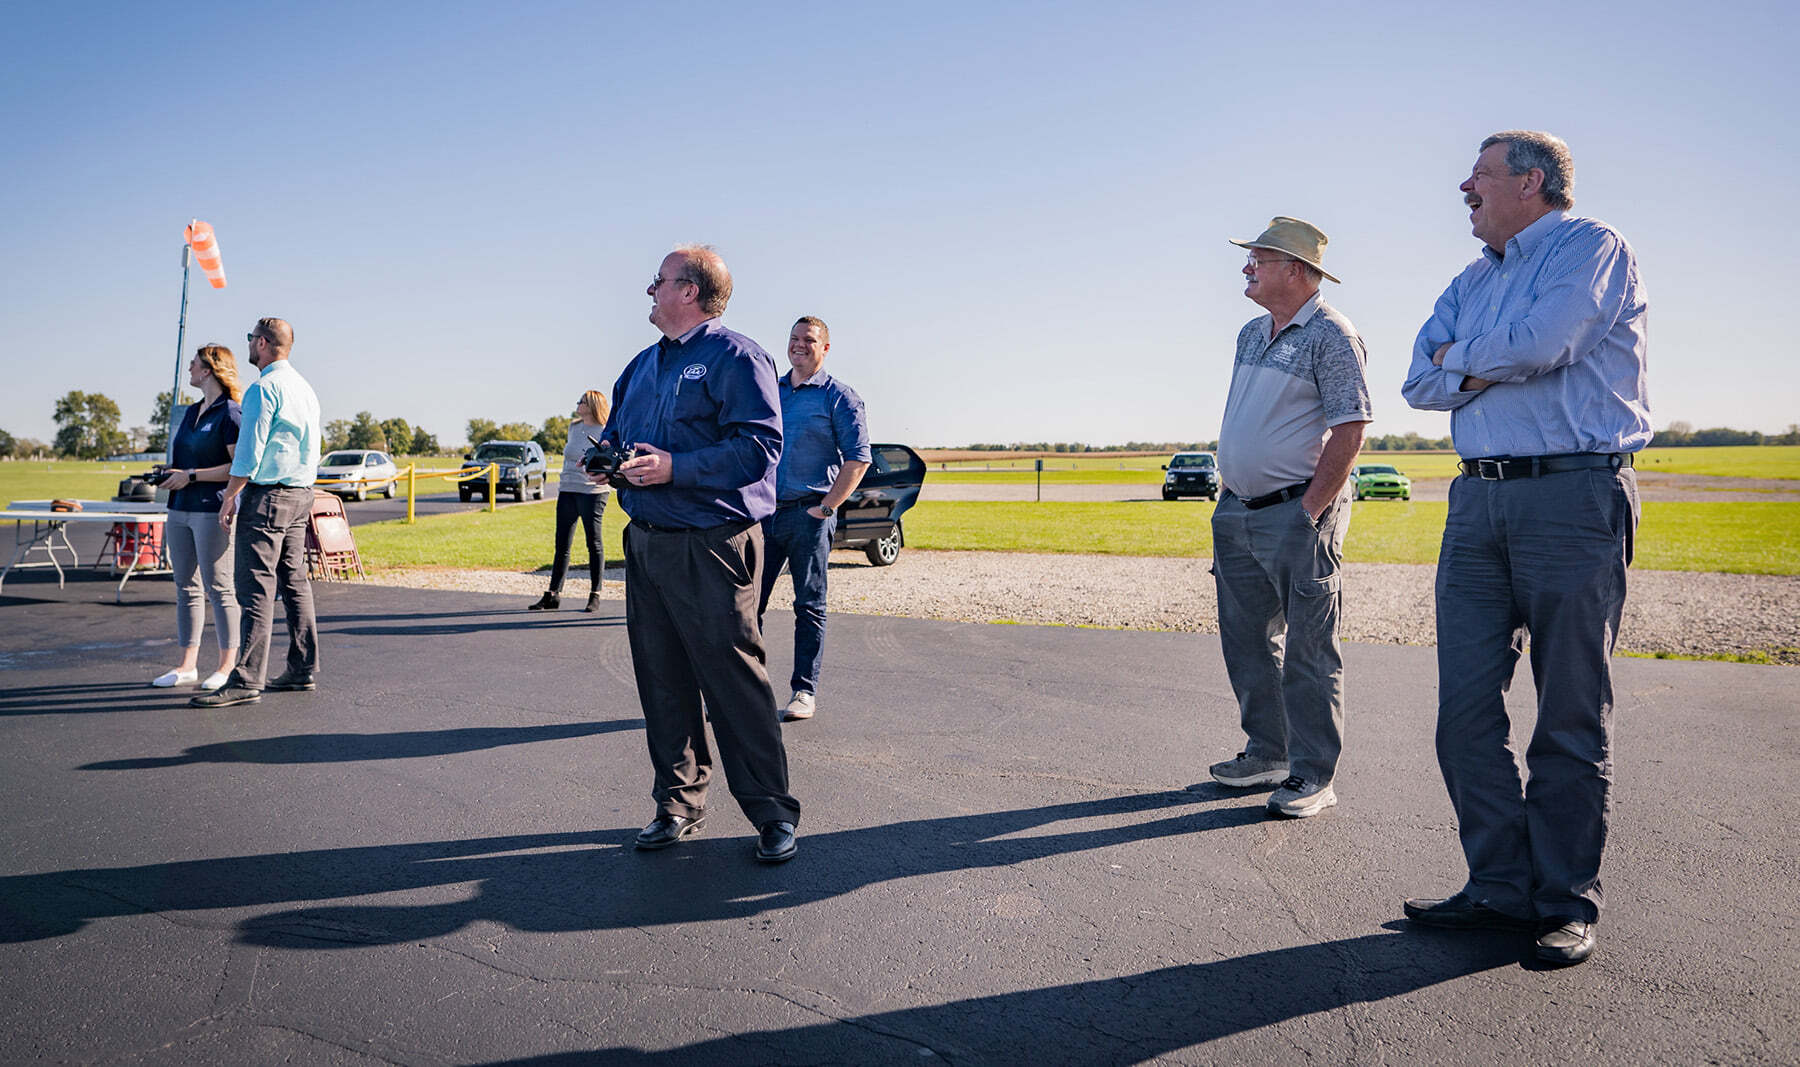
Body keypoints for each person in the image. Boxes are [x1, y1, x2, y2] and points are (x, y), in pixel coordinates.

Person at [1400, 131, 1649, 966]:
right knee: (1464, 713)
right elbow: (1416, 382)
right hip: (1476, 500)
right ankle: (1499, 886)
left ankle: (1565, 900)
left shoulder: (1592, 248)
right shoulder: (1470, 281)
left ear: (1532, 181)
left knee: (1569, 712)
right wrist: (1478, 366)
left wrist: (1459, 362)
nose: (1463, 186)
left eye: (1480, 174)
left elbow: (1546, 343)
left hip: (1574, 496)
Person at [599, 245, 800, 863]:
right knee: (662, 681)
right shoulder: (640, 367)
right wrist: (608, 461)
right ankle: (678, 803)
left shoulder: (738, 358)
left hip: (714, 547)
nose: (650, 290)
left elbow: (760, 449)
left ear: (689, 290)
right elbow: (618, 439)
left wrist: (676, 467)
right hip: (649, 546)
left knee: (733, 682)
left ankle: (772, 813)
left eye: (658, 281)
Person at [1206, 217, 1371, 819]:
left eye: (1258, 258)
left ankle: (1313, 775)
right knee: (1246, 640)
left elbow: (1350, 428)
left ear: (1295, 271)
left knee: (1308, 649)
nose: (1247, 267)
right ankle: (1268, 753)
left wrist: (1310, 512)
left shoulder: (1333, 334)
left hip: (1298, 513)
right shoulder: (1251, 333)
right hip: (1237, 511)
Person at [191, 318, 323, 710]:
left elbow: (249, 449)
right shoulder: (304, 387)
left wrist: (232, 495)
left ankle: (246, 678)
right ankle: (301, 668)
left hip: (269, 497)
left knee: (254, 587)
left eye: (250, 339)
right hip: (301, 493)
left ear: (262, 344)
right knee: (294, 582)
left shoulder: (264, 388)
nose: (248, 344)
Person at [756, 316, 871, 723]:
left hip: (810, 515)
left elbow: (857, 458)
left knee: (809, 606)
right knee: (747, 606)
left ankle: (803, 690)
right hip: (765, 515)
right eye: (793, 339)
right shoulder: (771, 390)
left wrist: (826, 507)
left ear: (825, 348)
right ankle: (746, 691)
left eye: (809, 340)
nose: (799, 345)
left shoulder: (839, 397)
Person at [150, 344, 243, 691]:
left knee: (219, 588)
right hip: (179, 508)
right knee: (185, 587)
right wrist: (170, 475)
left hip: (210, 509)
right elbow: (184, 460)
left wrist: (191, 475)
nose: (189, 368)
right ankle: (187, 665)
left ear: (208, 370)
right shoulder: (190, 413)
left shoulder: (232, 413)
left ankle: (226, 666)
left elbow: (237, 467)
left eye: (194, 364)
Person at [529, 389, 612, 613]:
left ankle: (595, 594)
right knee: (562, 544)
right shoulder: (574, 427)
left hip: (593, 492)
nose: (578, 404)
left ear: (593, 405)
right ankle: (553, 594)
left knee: (593, 543)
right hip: (567, 489)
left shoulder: (606, 430)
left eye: (582, 401)